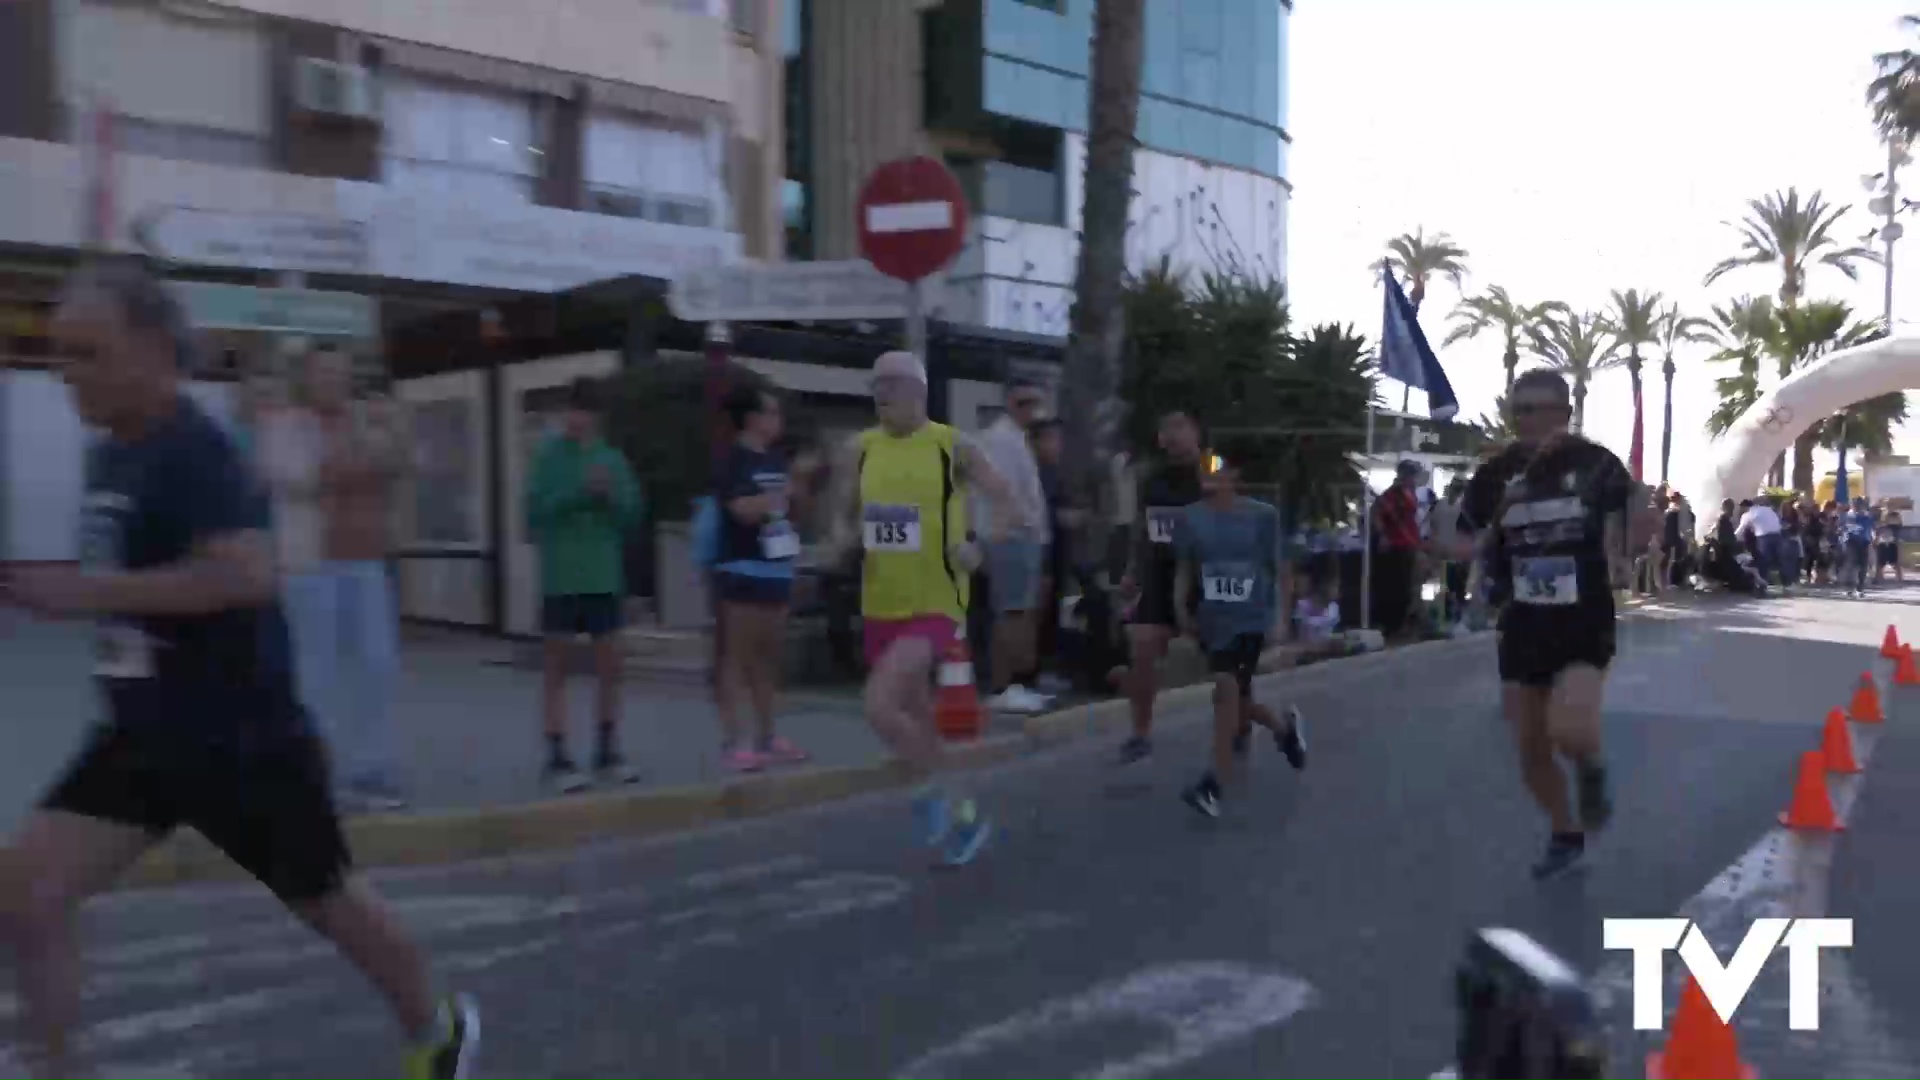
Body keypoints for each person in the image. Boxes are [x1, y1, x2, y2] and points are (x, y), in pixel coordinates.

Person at [0, 260, 476, 1080]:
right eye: (60, 353)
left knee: (330, 902)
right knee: (26, 893)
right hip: (142, 732)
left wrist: (82, 593)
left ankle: (437, 1029)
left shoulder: (198, 450)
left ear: (152, 350)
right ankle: (53, 1068)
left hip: (239, 738)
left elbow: (245, 574)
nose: (67, 371)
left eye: (88, 353)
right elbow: (123, 584)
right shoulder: (110, 455)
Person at [823, 349, 1025, 866]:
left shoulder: (953, 446)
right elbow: (842, 513)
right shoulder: (858, 449)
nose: (881, 394)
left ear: (918, 391)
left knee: (879, 706)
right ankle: (965, 820)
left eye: (890, 384)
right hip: (880, 600)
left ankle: (930, 800)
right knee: (916, 719)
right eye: (875, 387)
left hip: (936, 599)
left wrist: (979, 543)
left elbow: (1010, 504)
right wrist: (844, 538)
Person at [1445, 369, 1640, 879]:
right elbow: (1460, 544)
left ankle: (1590, 767)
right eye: (1519, 410)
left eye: (1537, 409)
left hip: (1583, 617)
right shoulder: (1494, 476)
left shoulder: (1594, 463)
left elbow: (1635, 511)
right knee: (1530, 746)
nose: (1526, 419)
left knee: (1571, 731)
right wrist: (1493, 520)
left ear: (1563, 412)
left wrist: (1624, 550)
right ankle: (1564, 832)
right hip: (1522, 620)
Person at [262, 345, 410, 812]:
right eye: (325, 373)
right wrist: (361, 462)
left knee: (378, 666)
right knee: (315, 674)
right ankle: (314, 776)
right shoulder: (284, 425)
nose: (335, 381)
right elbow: (299, 478)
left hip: (367, 560)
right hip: (312, 564)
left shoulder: (364, 419)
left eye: (342, 373)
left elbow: (399, 461)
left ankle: (373, 774)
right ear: (306, 377)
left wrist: (372, 448)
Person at [1170, 447, 1307, 818]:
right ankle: (1284, 732)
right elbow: (1185, 567)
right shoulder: (1190, 518)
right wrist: (1180, 606)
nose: (1208, 472)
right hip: (1212, 620)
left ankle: (1213, 783)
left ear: (1234, 476)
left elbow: (1281, 569)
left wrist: (1281, 616)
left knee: (1226, 691)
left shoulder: (1262, 516)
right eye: (1204, 467)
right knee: (1236, 700)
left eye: (1217, 467)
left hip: (1251, 618)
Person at [525, 377, 643, 793]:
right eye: (573, 410)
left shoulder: (613, 459)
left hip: (603, 576)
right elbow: (534, 513)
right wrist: (578, 492)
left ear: (598, 418)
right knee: (556, 669)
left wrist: (610, 496)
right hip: (560, 577)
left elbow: (632, 515)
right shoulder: (548, 457)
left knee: (610, 668)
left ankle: (607, 752)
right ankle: (557, 757)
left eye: (586, 412)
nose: (578, 419)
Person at [711, 384, 813, 772]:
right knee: (736, 657)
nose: (778, 420)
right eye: (771, 413)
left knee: (769, 659)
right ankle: (733, 742)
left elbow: (788, 512)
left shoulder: (775, 459)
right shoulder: (733, 460)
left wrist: (799, 493)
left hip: (777, 565)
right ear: (752, 418)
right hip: (742, 567)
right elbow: (740, 509)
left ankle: (768, 737)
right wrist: (782, 495)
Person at [1113, 407, 1208, 764]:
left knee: (1225, 661)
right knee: (1142, 652)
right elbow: (1143, 526)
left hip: (1202, 577)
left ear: (1195, 431)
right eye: (1165, 428)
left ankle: (1242, 719)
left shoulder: (1213, 466)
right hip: (1158, 573)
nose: (1172, 435)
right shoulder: (1152, 477)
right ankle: (1140, 733)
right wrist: (1131, 571)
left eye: (1179, 426)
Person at [972, 379, 1055, 714]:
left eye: (1036, 402)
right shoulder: (1002, 440)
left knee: (1018, 612)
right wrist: (1022, 526)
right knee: (1012, 613)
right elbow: (1002, 493)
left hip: (1019, 536)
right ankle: (1004, 687)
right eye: (1025, 402)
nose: (1033, 410)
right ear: (1011, 404)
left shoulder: (1015, 438)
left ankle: (1015, 684)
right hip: (1011, 537)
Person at [1370, 460, 1424, 637]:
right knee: (1396, 586)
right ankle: (1392, 625)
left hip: (1409, 543)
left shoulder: (1411, 494)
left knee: (1409, 584)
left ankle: (1404, 622)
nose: (1413, 479)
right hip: (1396, 545)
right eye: (1411, 475)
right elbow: (1377, 514)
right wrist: (1384, 535)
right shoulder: (1392, 495)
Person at [1737, 495, 1786, 592]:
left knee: (1763, 561)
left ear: (1744, 507)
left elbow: (1740, 530)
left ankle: (1762, 584)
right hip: (1777, 534)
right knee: (1779, 561)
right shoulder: (1767, 510)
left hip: (1764, 536)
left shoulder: (1748, 514)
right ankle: (1786, 583)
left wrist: (1733, 539)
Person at [1841, 496, 1875, 596]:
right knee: (1851, 564)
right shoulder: (1847, 515)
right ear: (1852, 505)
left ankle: (1860, 589)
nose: (1857, 506)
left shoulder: (1867, 516)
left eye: (1859, 504)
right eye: (1855, 504)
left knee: (1863, 566)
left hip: (1864, 542)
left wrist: (1872, 538)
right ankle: (1849, 588)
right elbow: (1843, 527)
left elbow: (1871, 527)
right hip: (1851, 542)